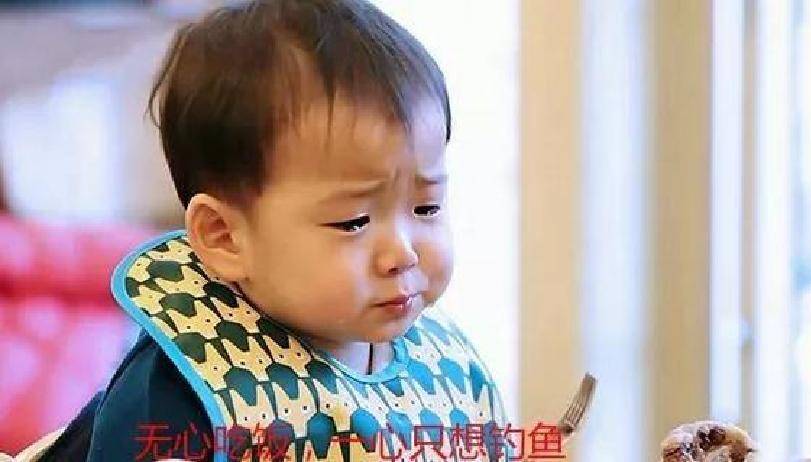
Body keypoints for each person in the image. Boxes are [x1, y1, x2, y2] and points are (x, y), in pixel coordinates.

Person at [42, 1, 511, 460]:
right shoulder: (184, 393)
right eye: (353, 221)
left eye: (426, 208)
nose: (403, 253)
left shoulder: (443, 368)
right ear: (225, 237)